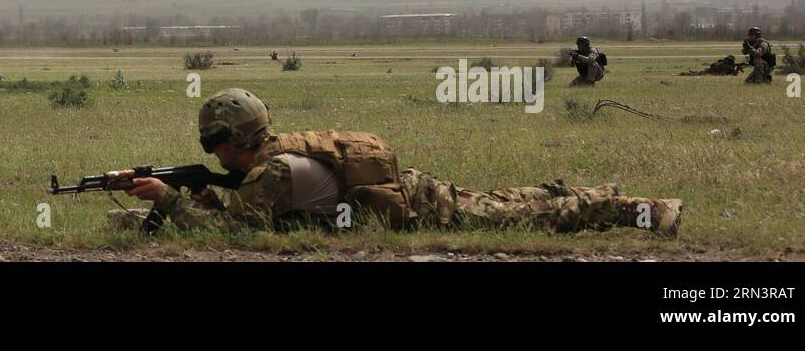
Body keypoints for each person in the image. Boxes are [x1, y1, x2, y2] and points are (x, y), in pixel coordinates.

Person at [107, 88, 681, 237]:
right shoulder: (275, 161)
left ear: (232, 140)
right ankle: (577, 193)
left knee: (529, 217)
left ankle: (643, 211)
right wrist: (204, 198)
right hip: (414, 193)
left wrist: (171, 200)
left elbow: (238, 234)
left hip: (421, 211)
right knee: (519, 203)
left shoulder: (270, 172)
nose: (215, 157)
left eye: (214, 146)